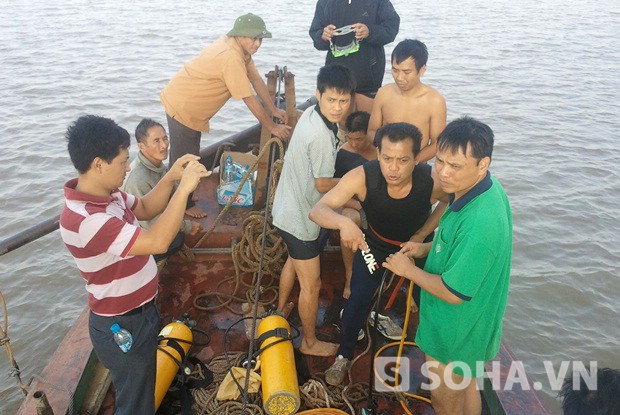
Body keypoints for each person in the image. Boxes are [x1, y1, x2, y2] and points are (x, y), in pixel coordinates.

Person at [59, 115, 210, 414]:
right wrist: (184, 190)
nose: (128, 168)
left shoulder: (108, 194)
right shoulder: (87, 219)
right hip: (122, 323)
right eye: (123, 161)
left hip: (141, 312)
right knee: (134, 402)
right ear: (99, 164)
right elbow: (157, 242)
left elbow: (145, 207)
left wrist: (171, 177)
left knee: (140, 388)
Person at [383, 117, 512, 415]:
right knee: (466, 386)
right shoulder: (486, 189)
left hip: (455, 332)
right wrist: (427, 247)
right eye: (440, 161)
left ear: (483, 164)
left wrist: (408, 270)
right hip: (475, 325)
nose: (442, 172)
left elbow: (454, 292)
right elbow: (457, 244)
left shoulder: (482, 223)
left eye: (455, 166)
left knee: (445, 401)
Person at [309, 122, 449, 385]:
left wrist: (422, 235)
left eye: (403, 160)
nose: (393, 168)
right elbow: (318, 209)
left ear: (416, 158)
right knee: (357, 299)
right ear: (378, 153)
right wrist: (345, 223)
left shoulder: (429, 180)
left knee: (430, 302)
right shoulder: (363, 176)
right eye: (386, 158)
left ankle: (435, 359)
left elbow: (451, 202)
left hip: (415, 249)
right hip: (376, 246)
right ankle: (344, 354)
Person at [161, 13, 291, 217]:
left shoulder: (240, 49)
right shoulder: (230, 57)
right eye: (253, 38)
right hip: (183, 107)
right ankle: (182, 208)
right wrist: (272, 126)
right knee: (185, 160)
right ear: (239, 35)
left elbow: (256, 80)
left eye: (260, 39)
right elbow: (248, 97)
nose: (257, 44)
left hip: (191, 108)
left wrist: (273, 109)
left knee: (188, 156)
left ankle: (176, 197)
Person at [272, 65, 355, 357]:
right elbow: (322, 184)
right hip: (300, 219)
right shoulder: (320, 136)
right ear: (319, 94)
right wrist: (354, 183)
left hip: (285, 209)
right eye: (331, 100)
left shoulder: (310, 113)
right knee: (312, 283)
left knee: (294, 262)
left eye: (344, 101)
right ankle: (309, 342)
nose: (337, 107)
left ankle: (281, 309)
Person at [121, 118, 202, 262]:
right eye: (156, 141)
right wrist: (186, 226)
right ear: (141, 146)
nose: (164, 145)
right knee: (177, 239)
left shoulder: (156, 164)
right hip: (141, 237)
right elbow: (149, 221)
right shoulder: (138, 179)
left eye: (165, 139)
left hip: (150, 216)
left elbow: (166, 186)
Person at [309, 0, 400, 123]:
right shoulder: (325, 2)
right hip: (337, 76)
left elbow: (392, 27)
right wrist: (323, 35)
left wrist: (370, 31)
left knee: (367, 125)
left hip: (368, 77)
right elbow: (316, 35)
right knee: (339, 126)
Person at [368, 39, 446, 162]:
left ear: (422, 70)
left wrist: (411, 161)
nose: (399, 77)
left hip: (417, 163)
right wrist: (386, 154)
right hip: (384, 162)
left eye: (406, 72)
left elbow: (437, 143)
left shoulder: (435, 101)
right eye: (395, 70)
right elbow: (372, 130)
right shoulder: (383, 93)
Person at [337, 110, 375, 299]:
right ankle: (349, 274)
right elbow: (336, 193)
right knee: (348, 220)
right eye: (350, 138)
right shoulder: (344, 154)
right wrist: (358, 206)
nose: (354, 144)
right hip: (354, 207)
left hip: (378, 205)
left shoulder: (382, 153)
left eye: (358, 139)